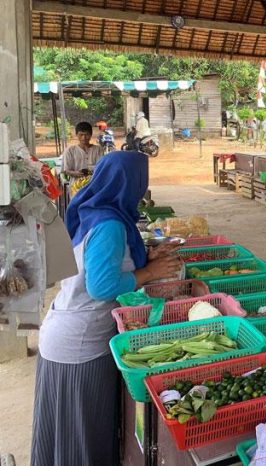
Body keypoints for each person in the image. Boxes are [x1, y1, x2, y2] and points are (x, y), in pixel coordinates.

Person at [31, 143, 180, 466]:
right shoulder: (110, 224)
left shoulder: (94, 209)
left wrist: (145, 257)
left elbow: (99, 263)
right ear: (128, 183)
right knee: (82, 438)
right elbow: (101, 285)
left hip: (65, 332)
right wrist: (150, 272)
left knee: (67, 435)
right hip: (80, 344)